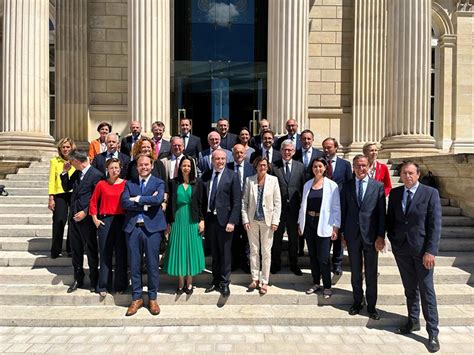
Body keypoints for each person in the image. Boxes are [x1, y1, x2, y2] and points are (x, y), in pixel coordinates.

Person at [386, 160, 442, 353]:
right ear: (400, 175)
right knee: (410, 289)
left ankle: (433, 332)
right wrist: (393, 241)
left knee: (427, 290)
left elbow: (435, 225)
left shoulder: (430, 193)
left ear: (418, 174)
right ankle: (412, 321)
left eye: (411, 173)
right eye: (404, 173)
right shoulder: (395, 194)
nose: (407, 176)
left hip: (422, 252)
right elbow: (390, 220)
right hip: (402, 249)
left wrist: (430, 251)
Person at [340, 154, 386, 320]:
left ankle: (372, 306)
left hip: (372, 237)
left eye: (364, 166)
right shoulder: (347, 186)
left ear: (369, 167)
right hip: (352, 236)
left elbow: (382, 214)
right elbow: (344, 212)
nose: (361, 169)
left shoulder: (378, 186)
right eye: (358, 166)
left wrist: (381, 236)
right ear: (353, 167)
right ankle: (357, 301)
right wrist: (343, 234)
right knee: (355, 272)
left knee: (371, 273)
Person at [121, 154, 167, 316]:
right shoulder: (129, 183)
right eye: (141, 165)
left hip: (152, 229)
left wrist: (138, 199)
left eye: (146, 165)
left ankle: (153, 298)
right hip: (133, 229)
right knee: (134, 264)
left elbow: (159, 199)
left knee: (153, 264)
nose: (144, 167)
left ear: (152, 166)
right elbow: (125, 203)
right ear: (136, 167)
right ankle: (137, 297)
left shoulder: (159, 183)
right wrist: (147, 202)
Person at [60, 149, 102, 293]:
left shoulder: (96, 175)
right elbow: (66, 187)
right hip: (73, 218)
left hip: (87, 219)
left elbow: (97, 198)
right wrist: (65, 173)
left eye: (71, 161)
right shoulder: (77, 173)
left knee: (90, 249)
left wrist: (85, 212)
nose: (70, 163)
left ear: (77, 161)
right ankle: (78, 278)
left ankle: (94, 279)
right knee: (76, 250)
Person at [298, 157, 340, 299]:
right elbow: (303, 206)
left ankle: (327, 286)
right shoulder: (307, 185)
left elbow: (336, 208)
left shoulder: (332, 185)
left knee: (323, 257)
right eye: (315, 166)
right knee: (312, 255)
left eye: (320, 166)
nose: (318, 169)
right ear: (312, 168)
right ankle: (316, 282)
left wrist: (336, 227)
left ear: (325, 168)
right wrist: (300, 223)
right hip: (309, 222)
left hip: (324, 223)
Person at [201, 149, 241, 297]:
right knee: (215, 252)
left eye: (223, 159)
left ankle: (225, 282)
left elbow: (237, 202)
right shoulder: (205, 176)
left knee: (225, 252)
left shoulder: (232, 176)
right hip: (211, 220)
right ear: (212, 160)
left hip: (225, 222)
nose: (220, 161)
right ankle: (215, 280)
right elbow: (203, 199)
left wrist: (232, 221)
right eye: (217, 159)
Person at [163, 156, 205, 295]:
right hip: (178, 219)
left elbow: (201, 204)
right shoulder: (173, 183)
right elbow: (169, 205)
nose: (186, 168)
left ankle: (190, 281)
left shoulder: (198, 183)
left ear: (192, 167)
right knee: (180, 247)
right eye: (184, 165)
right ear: (180, 167)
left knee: (190, 249)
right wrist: (168, 222)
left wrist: (202, 220)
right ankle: (181, 281)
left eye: (188, 166)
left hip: (192, 219)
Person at [241, 157, 281, 295]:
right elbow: (244, 202)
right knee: (253, 250)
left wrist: (276, 221)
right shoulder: (249, 180)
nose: (262, 167)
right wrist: (245, 220)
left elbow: (277, 203)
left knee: (266, 251)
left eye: (264, 165)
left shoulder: (273, 180)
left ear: (267, 167)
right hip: (252, 220)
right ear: (256, 166)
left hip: (268, 222)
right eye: (260, 165)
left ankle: (265, 281)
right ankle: (254, 278)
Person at [89, 158, 128, 296]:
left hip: (121, 220)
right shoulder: (101, 184)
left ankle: (120, 286)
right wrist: (95, 219)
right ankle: (103, 285)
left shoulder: (126, 184)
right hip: (105, 221)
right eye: (111, 168)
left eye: (116, 168)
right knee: (105, 253)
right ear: (107, 169)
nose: (114, 170)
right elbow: (93, 202)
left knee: (120, 254)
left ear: (120, 169)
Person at [271, 139, 306, 275]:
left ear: (294, 151)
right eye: (285, 150)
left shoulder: (300, 166)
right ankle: (276, 264)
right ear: (280, 151)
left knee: (293, 239)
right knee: (277, 238)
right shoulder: (274, 166)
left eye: (290, 150)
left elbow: (303, 188)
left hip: (294, 209)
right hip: (278, 210)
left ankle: (294, 264)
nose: (287, 152)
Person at [322, 137, 352, 276]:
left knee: (338, 236)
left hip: (339, 204)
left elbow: (348, 184)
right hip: (323, 205)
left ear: (336, 148)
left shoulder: (345, 165)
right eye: (325, 147)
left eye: (329, 147)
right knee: (325, 235)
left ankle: (337, 263)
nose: (327, 150)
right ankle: (324, 262)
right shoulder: (319, 163)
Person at [227, 144, 255, 273]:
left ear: (245, 154)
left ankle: (245, 263)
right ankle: (234, 262)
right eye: (236, 152)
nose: (239, 155)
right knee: (233, 238)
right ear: (232, 154)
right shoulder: (227, 168)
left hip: (247, 209)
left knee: (246, 238)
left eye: (241, 153)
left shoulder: (251, 168)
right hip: (231, 209)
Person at [48, 137, 76, 259]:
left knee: (73, 221)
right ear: (60, 149)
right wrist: (51, 197)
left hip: (74, 193)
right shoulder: (54, 161)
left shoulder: (76, 160)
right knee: (59, 220)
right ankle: (55, 249)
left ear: (72, 148)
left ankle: (71, 248)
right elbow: (51, 180)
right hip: (60, 193)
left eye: (67, 147)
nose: (65, 149)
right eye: (63, 147)